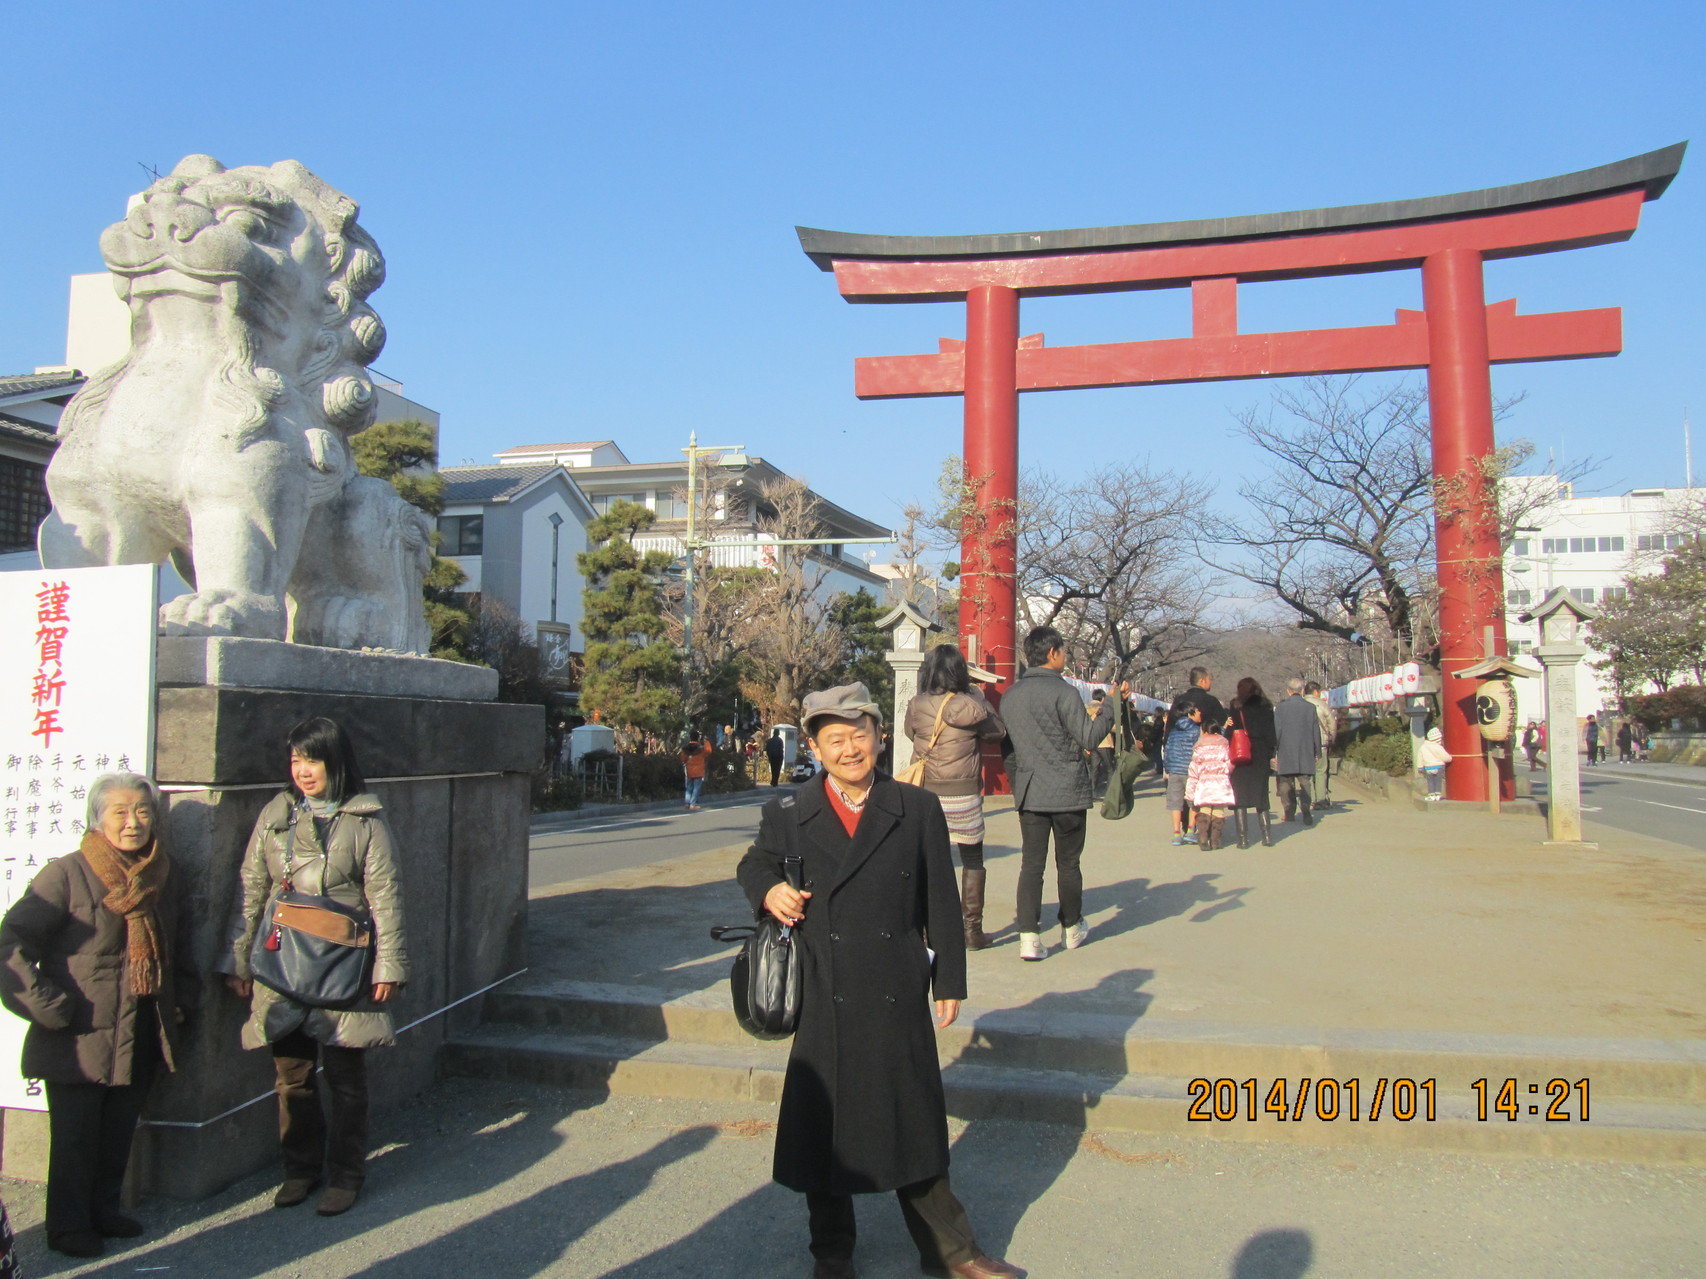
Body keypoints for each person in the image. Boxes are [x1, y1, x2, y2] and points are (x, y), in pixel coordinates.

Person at [737, 683, 1021, 1279]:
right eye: (834, 739)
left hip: (895, 981)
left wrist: (950, 978)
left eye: (858, 735)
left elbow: (941, 899)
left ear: (879, 736)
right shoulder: (788, 813)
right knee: (826, 1129)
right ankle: (832, 1252)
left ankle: (952, 1251)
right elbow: (753, 862)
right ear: (813, 746)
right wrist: (768, 889)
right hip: (822, 986)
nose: (849, 749)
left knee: (912, 1121)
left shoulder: (914, 808)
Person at [0, 773, 196, 1259]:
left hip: (142, 1026)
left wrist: (179, 1003)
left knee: (117, 1132)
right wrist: (52, 1008)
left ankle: (104, 1209)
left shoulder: (165, 874)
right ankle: (67, 1227)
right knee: (74, 1140)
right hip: (79, 1034)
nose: (133, 823)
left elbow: (180, 947)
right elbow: (10, 946)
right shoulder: (66, 874)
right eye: (121, 812)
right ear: (98, 819)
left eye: (143, 812)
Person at [221, 717, 408, 1218]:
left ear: (336, 762)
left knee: (346, 1076)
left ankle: (347, 1173)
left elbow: (384, 896)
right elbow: (250, 886)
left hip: (343, 961)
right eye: (296, 760)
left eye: (313, 760)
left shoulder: (366, 821)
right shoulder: (276, 814)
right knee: (292, 1074)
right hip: (282, 957)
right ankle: (300, 1168)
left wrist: (388, 964)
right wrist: (237, 956)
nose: (303, 771)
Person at [1000, 626, 1122, 962]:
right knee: (1068, 863)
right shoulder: (1064, 692)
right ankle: (1071, 926)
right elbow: (1088, 737)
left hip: (1030, 790)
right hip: (1068, 790)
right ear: (1053, 652)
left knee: (1031, 865)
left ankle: (1029, 936)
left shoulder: (1011, 695)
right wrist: (1110, 707)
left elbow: (1007, 748)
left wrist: (1017, 785)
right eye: (1063, 650)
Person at [905, 644, 1007, 949]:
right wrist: (979, 699)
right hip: (964, 794)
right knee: (973, 859)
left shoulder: (917, 704)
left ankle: (925, 931)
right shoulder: (972, 704)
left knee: (927, 861)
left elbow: (912, 734)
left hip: (927, 794)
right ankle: (971, 931)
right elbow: (998, 732)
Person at [1228, 677, 1278, 848]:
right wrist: (1271, 752)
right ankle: (1267, 837)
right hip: (1261, 754)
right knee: (1261, 795)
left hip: (1241, 754)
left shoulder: (1236, 706)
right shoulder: (1266, 706)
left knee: (1239, 797)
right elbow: (1271, 733)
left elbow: (1230, 732)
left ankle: (1243, 839)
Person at [1274, 678, 1325, 829]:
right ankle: (1306, 810)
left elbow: (1276, 731)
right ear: (1303, 691)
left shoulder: (1281, 708)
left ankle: (1289, 811)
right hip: (1305, 749)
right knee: (1305, 782)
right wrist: (1317, 750)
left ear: (1288, 691)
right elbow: (1315, 730)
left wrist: (1273, 750)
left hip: (1286, 750)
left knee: (1285, 783)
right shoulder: (1310, 708)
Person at [1185, 718, 1236, 850]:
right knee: (1218, 811)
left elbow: (1193, 770)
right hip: (1221, 783)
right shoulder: (1224, 744)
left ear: (1204, 730)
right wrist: (1224, 771)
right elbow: (1230, 763)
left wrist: (1190, 793)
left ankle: (1202, 837)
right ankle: (1215, 840)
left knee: (1205, 810)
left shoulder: (1199, 746)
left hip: (1204, 784)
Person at [1162, 697, 1204, 845]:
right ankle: (1191, 831)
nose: (1200, 712)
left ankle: (1176, 833)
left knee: (1175, 803)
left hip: (1174, 771)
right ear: (1190, 713)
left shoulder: (1173, 731)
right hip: (1190, 771)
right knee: (1193, 801)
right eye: (1197, 710)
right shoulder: (1196, 730)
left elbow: (1167, 750)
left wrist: (1167, 768)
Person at [1305, 681, 1336, 809]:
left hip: (1304, 744)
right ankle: (1320, 799)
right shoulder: (1322, 705)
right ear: (1316, 692)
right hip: (1321, 743)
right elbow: (1332, 724)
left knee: (1306, 772)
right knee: (1320, 771)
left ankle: (1308, 798)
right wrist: (1332, 738)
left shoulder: (1301, 704)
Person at [1178, 666, 1227, 735]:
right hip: (1206, 743)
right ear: (1202, 681)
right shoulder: (1211, 701)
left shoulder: (1179, 699)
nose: (1211, 682)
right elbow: (1222, 723)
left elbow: (1170, 724)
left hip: (1180, 743)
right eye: (1209, 679)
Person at [1088, 689, 1117, 793]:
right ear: (1103, 698)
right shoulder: (1103, 708)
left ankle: (1092, 791)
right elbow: (1109, 724)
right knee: (1110, 768)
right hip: (1104, 742)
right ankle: (1109, 792)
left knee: (1094, 768)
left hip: (1092, 741)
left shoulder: (1087, 708)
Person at [1417, 725, 1452, 798]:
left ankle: (1431, 794)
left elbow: (1420, 758)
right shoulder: (1438, 747)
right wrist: (1450, 758)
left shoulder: (1423, 747)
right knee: (1438, 781)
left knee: (1430, 781)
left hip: (1428, 767)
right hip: (1438, 766)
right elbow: (1445, 757)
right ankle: (1438, 794)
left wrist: (1420, 767)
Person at [680, 731, 709, 810]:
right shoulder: (701, 748)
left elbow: (683, 759)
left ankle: (687, 803)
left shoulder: (686, 748)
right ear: (698, 738)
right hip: (698, 770)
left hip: (689, 770)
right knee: (696, 787)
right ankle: (693, 804)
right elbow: (708, 751)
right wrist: (706, 741)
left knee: (689, 787)